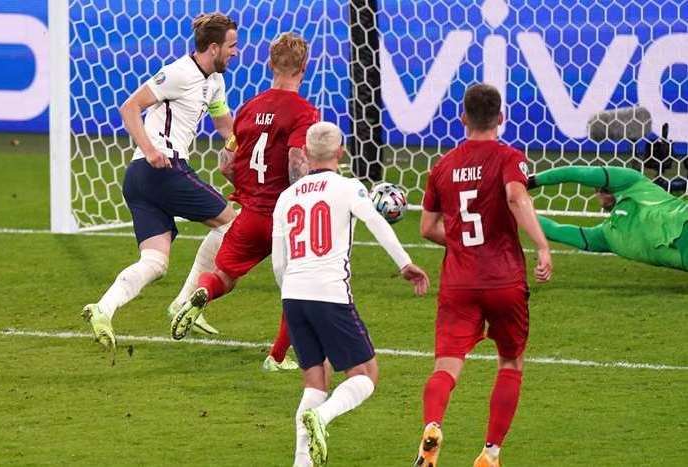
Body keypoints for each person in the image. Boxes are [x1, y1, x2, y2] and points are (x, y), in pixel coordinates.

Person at [272, 121, 429, 467]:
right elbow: (377, 223)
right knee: (366, 374)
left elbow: (278, 262)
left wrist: (291, 295)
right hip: (329, 294)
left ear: (307, 154)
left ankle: (302, 462)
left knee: (314, 381)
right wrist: (405, 263)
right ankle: (323, 418)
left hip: (293, 294)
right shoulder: (348, 187)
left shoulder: (285, 198)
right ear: (340, 152)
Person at [82, 13, 239, 350]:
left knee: (155, 262)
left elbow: (227, 127)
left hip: (140, 179)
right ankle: (184, 304)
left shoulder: (214, 82)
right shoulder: (180, 73)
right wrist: (151, 149)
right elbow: (129, 107)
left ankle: (103, 309)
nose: (235, 52)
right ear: (213, 47)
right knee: (232, 224)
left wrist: (237, 148)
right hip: (160, 168)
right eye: (231, 45)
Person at [414, 84, 552, 467]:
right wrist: (541, 245)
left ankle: (432, 425)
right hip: (505, 279)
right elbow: (515, 196)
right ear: (501, 119)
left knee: (446, 365)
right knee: (510, 362)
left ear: (462, 119)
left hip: (459, 281)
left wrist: (460, 242)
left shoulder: (442, 166)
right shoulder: (510, 158)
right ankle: (490, 453)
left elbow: (426, 228)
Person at [169, 32, 319, 376]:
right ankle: (277, 358)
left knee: (223, 274)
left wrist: (249, 189)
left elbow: (225, 161)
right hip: (284, 218)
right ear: (304, 67)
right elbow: (297, 159)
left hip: (250, 213)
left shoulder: (250, 107)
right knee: (301, 288)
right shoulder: (304, 111)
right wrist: (303, 199)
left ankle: (201, 294)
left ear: (270, 64)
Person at [528, 165, 688, 271]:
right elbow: (554, 231)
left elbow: (576, 173)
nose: (598, 190)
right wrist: (516, 207)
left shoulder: (634, 183)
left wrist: (530, 181)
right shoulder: (605, 236)